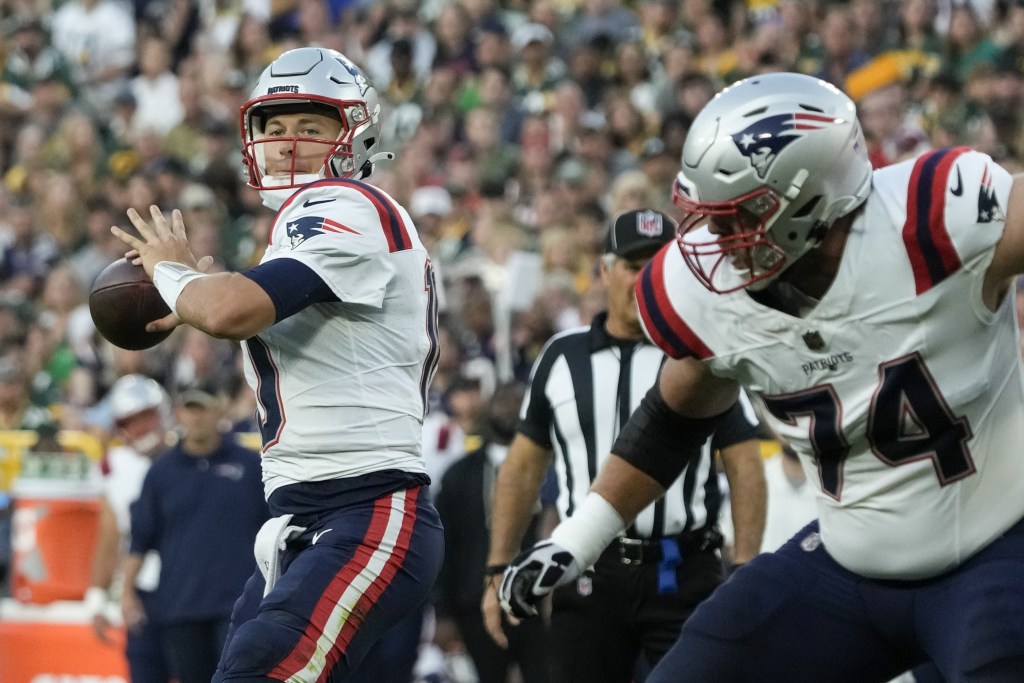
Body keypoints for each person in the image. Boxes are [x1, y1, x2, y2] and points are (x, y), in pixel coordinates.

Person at [498, 71, 1024, 681]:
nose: (712, 243)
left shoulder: (933, 218)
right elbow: (672, 419)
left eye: (734, 218)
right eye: (706, 217)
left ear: (808, 200)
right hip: (846, 568)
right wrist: (579, 536)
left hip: (996, 552)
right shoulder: (706, 294)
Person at [110, 46, 444, 681]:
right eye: (275, 125)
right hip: (304, 519)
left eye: (311, 126)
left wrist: (173, 272)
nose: (288, 140)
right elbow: (239, 306)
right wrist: (198, 298)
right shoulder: (306, 226)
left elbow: (234, 311)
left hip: (368, 509)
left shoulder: (347, 205)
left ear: (356, 134)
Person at [484, 209, 766, 682]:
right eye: (635, 267)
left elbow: (744, 462)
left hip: (684, 565)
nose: (646, 280)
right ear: (604, 270)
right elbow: (523, 467)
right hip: (589, 568)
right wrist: (496, 567)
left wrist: (745, 567)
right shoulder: (562, 355)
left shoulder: (697, 351)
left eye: (658, 267)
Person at [122, 384, 268, 683]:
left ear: (220, 412)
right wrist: (126, 592)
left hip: (239, 605)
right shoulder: (161, 472)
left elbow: (273, 532)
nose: (196, 417)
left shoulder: (251, 466)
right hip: (181, 604)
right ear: (178, 414)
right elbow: (141, 537)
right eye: (190, 409)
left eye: (203, 408)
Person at [435, 380, 550, 683]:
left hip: (541, 603)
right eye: (503, 399)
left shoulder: (555, 470)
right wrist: (443, 614)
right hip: (475, 604)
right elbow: (445, 547)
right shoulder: (459, 474)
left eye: (518, 401)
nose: (509, 407)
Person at [85, 374, 173, 683]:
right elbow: (110, 536)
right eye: (128, 422)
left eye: (145, 417)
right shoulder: (115, 465)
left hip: (194, 587)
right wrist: (97, 597)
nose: (139, 429)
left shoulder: (191, 456)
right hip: (142, 588)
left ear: (162, 413)